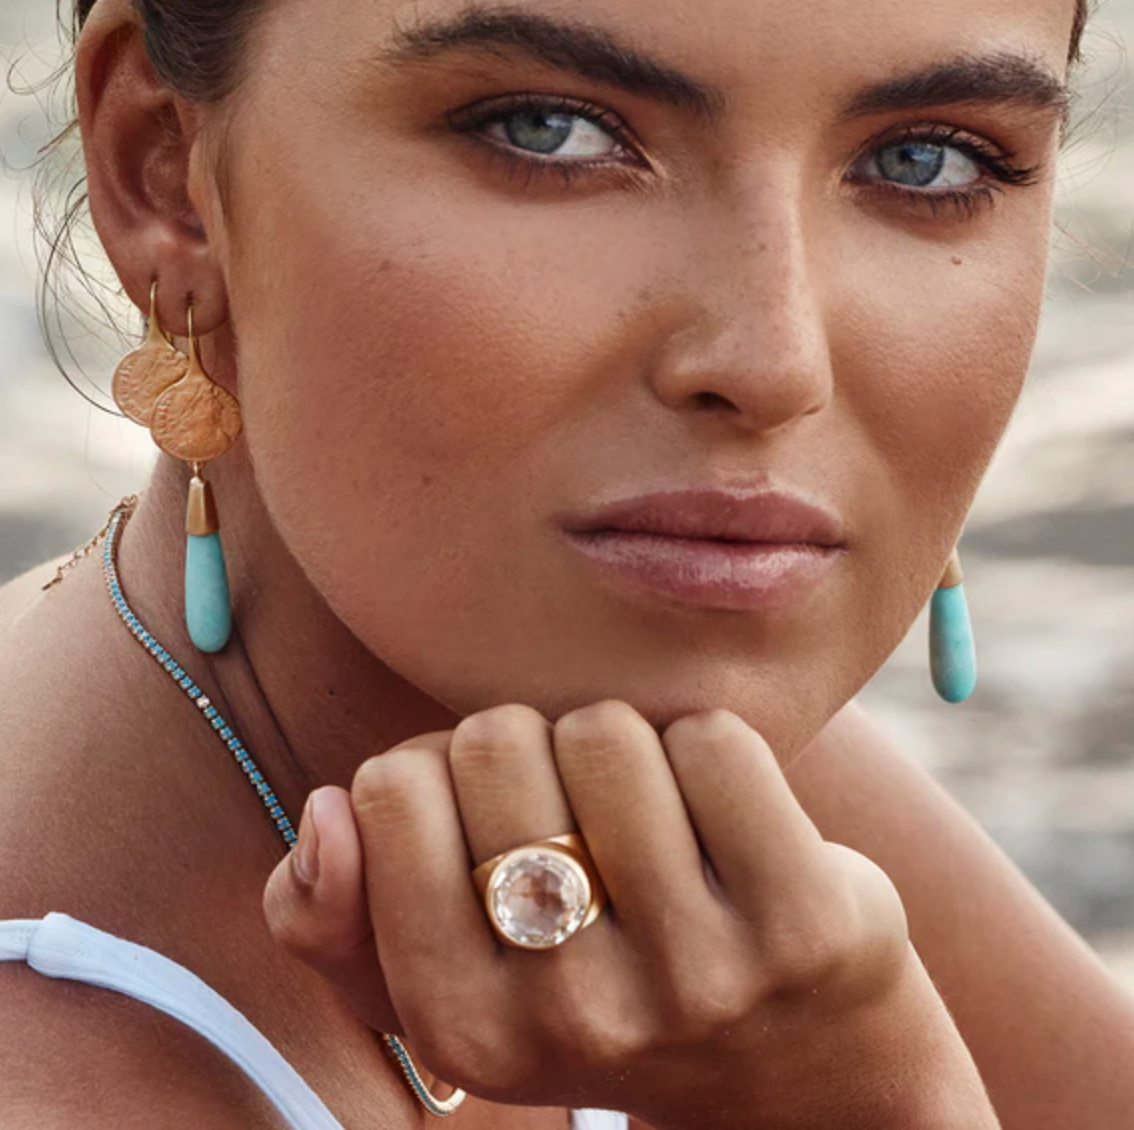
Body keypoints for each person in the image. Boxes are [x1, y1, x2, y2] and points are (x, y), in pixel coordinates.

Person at [1, 0, 1132, 1125]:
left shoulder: (652, 733)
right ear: (162, 171)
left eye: (925, 159)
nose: (776, 364)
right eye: (547, 131)